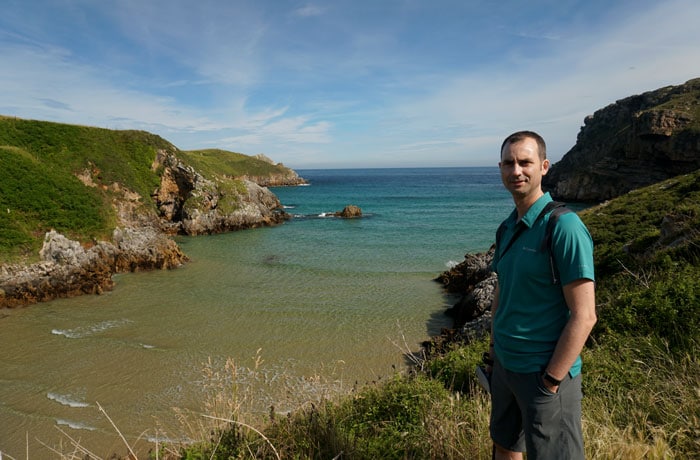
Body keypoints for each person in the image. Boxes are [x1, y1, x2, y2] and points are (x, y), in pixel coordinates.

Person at [485, 131, 597, 460]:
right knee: (505, 448)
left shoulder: (564, 227)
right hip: (505, 366)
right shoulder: (507, 227)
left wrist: (550, 381)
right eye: (509, 163)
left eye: (525, 162)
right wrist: (493, 353)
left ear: (544, 167)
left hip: (544, 374)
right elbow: (502, 289)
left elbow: (585, 315)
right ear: (500, 168)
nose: (516, 170)